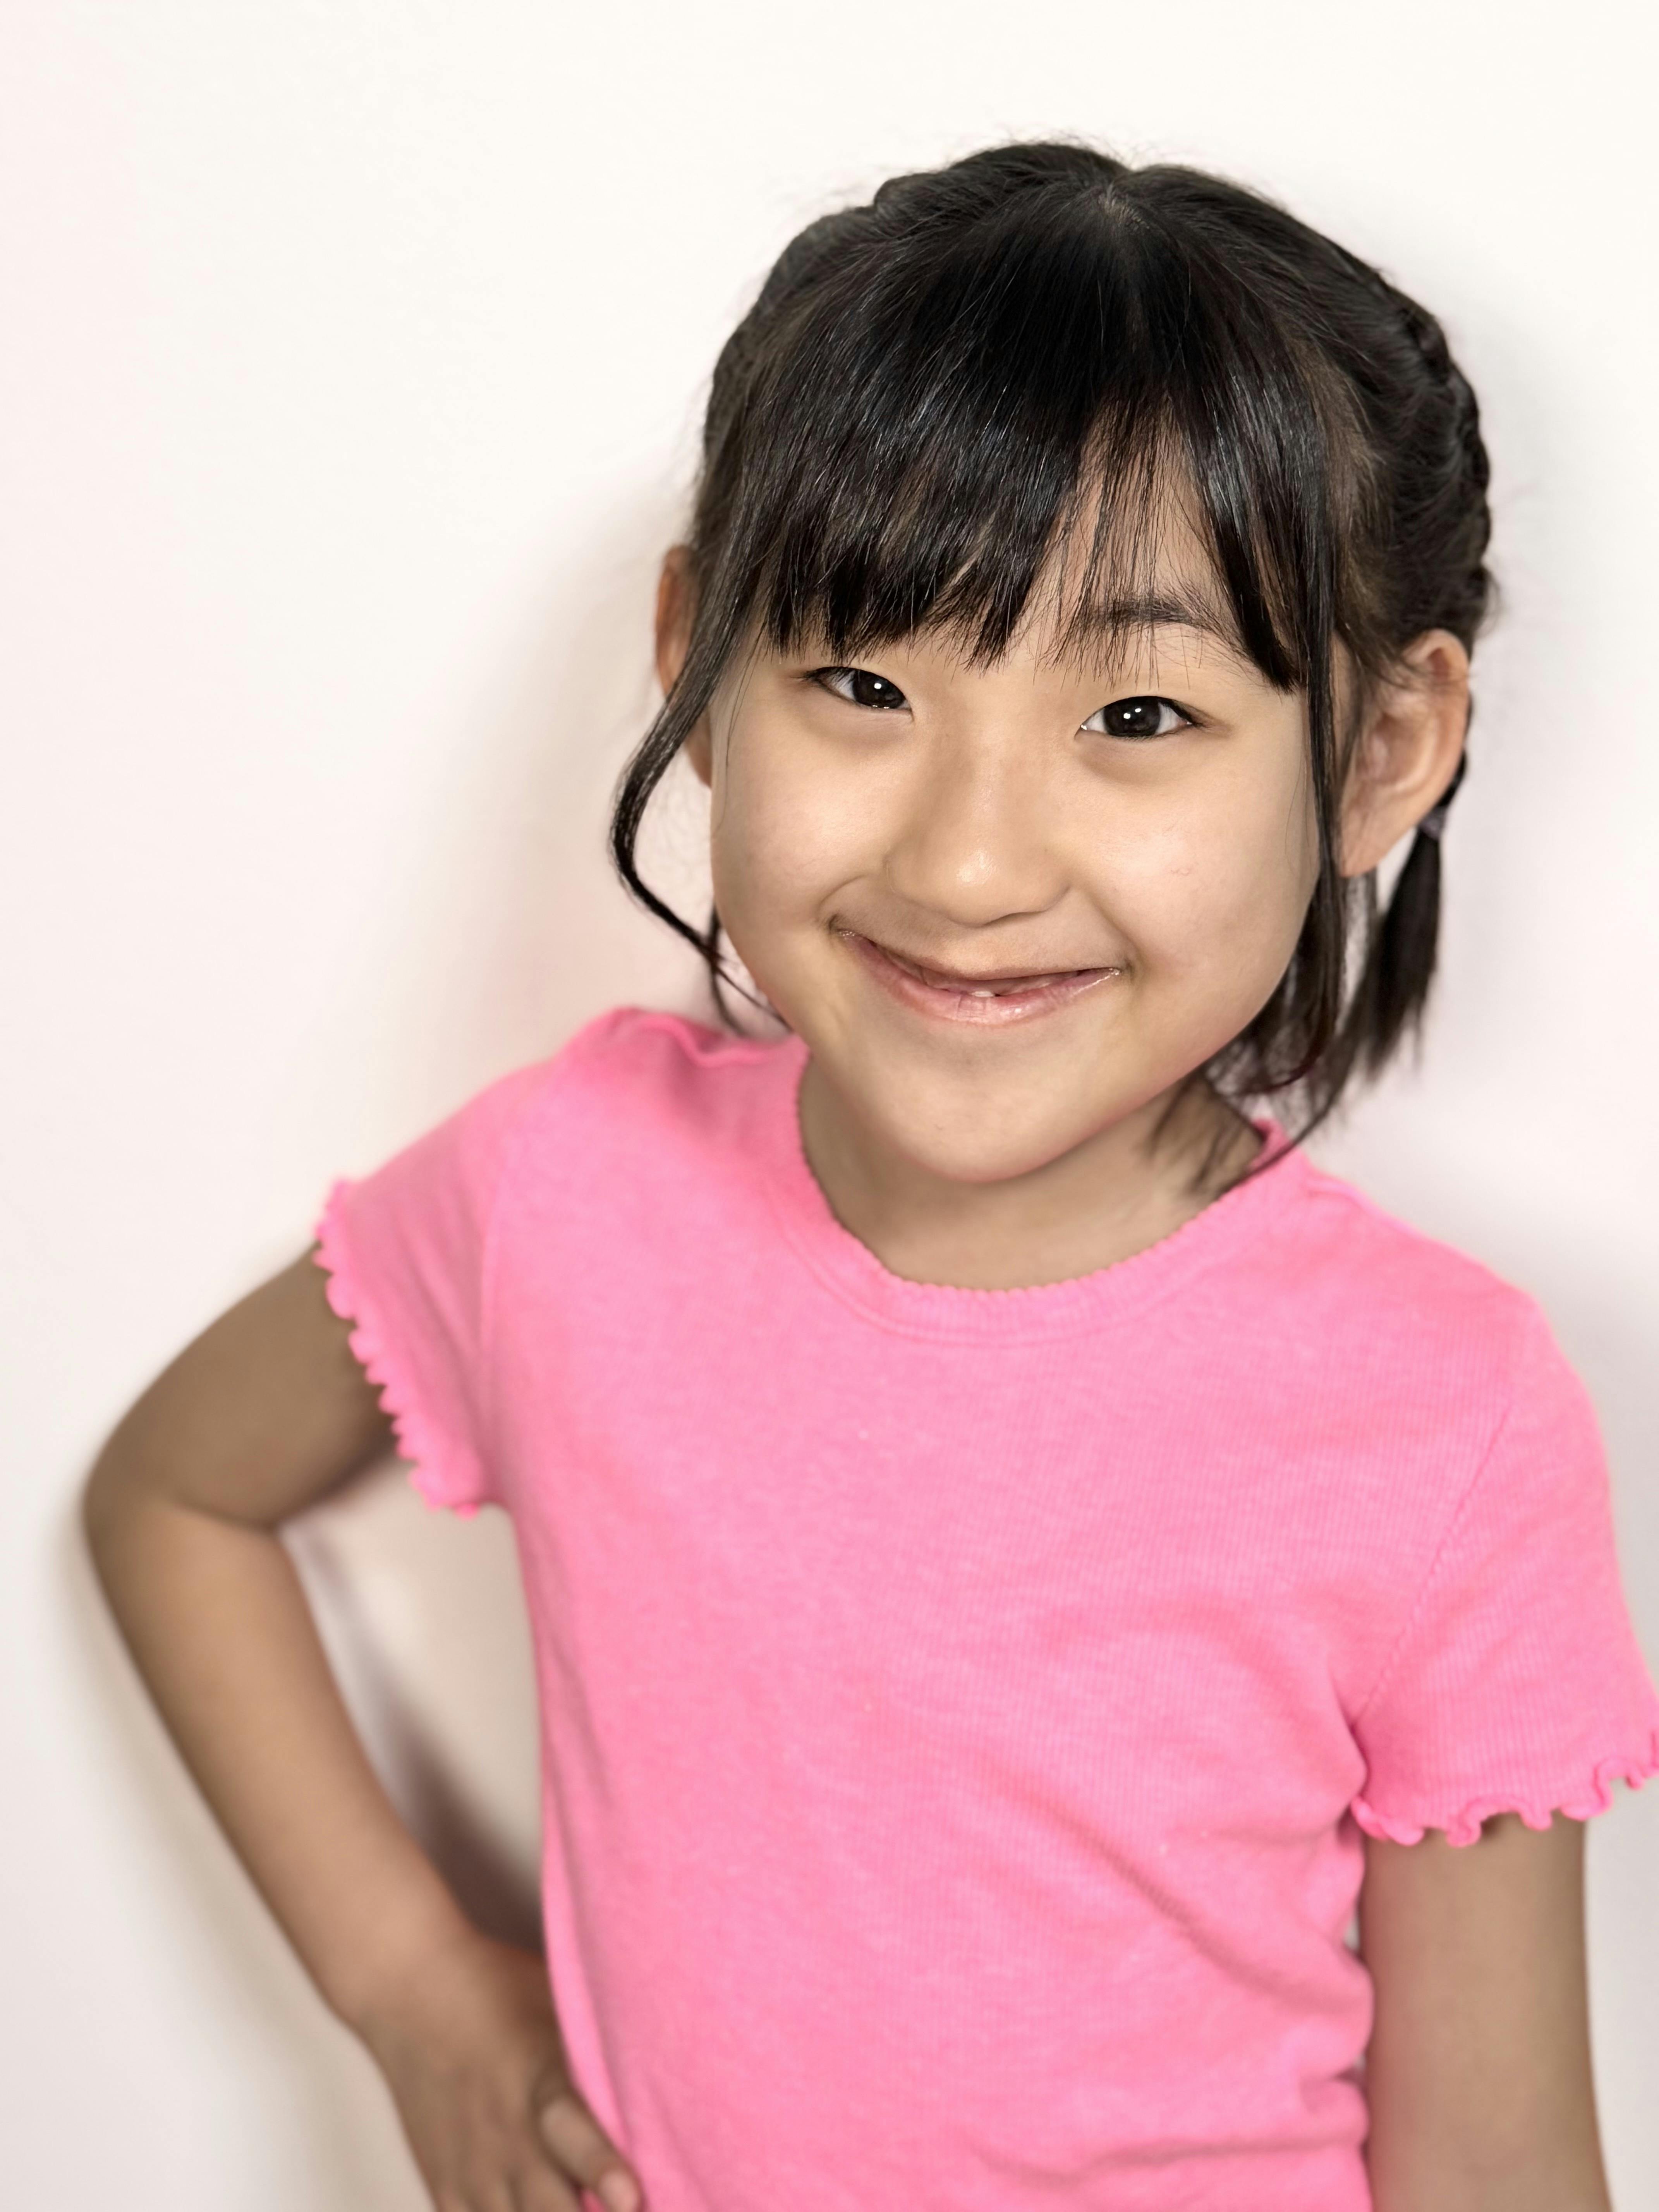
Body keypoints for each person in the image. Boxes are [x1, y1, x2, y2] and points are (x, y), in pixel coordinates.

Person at [83, 140, 1659, 2212]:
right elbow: (173, 1498)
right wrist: (410, 1991)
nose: (969, 862)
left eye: (1140, 711)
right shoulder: (566, 1192)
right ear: (696, 663)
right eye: (861, 684)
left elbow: (1501, 2168)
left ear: (1379, 751)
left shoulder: (1444, 1416)